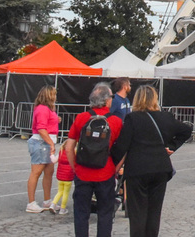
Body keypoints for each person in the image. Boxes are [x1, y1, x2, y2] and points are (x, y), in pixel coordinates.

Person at [111, 86, 191, 237]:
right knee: (154, 211)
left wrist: (111, 162)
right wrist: (172, 146)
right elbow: (186, 130)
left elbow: (122, 146)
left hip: (138, 169)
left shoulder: (132, 118)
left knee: (138, 212)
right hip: (160, 168)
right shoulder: (166, 117)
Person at [67, 83, 124, 237]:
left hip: (83, 172)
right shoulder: (116, 121)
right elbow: (123, 149)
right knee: (105, 213)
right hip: (105, 172)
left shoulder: (81, 118)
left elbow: (69, 146)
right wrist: (116, 168)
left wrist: (75, 167)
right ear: (107, 101)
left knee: (81, 213)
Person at [26, 85, 59, 213]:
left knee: (49, 172)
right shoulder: (42, 109)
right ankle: (31, 202)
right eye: (54, 94)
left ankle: (47, 200)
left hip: (45, 142)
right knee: (36, 172)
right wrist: (51, 143)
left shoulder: (46, 109)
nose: (55, 97)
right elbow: (41, 129)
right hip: (41, 143)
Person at [54, 148, 75, 215]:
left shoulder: (61, 152)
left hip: (60, 177)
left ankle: (53, 204)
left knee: (59, 192)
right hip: (68, 177)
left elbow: (54, 160)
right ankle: (62, 208)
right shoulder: (74, 153)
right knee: (65, 193)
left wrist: (51, 154)